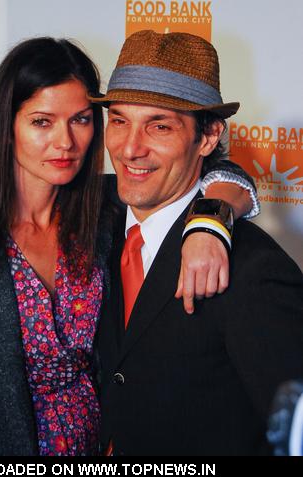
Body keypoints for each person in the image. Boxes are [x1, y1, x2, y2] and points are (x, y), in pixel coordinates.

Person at [0, 36, 255, 456]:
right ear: (6, 125)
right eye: (42, 122)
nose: (65, 142)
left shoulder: (113, 211)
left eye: (82, 120)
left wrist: (210, 222)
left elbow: (226, 174)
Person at [91, 30, 303, 456]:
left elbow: (290, 431)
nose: (130, 148)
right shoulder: (93, 216)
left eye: (159, 126)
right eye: (119, 121)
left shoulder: (254, 270)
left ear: (207, 137)